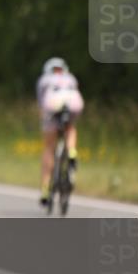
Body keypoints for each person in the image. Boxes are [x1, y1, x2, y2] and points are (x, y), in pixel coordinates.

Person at [36, 57, 84, 206]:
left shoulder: (44, 80)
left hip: (52, 107)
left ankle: (45, 189)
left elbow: (41, 103)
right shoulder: (70, 78)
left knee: (49, 147)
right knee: (70, 128)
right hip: (72, 105)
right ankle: (71, 151)